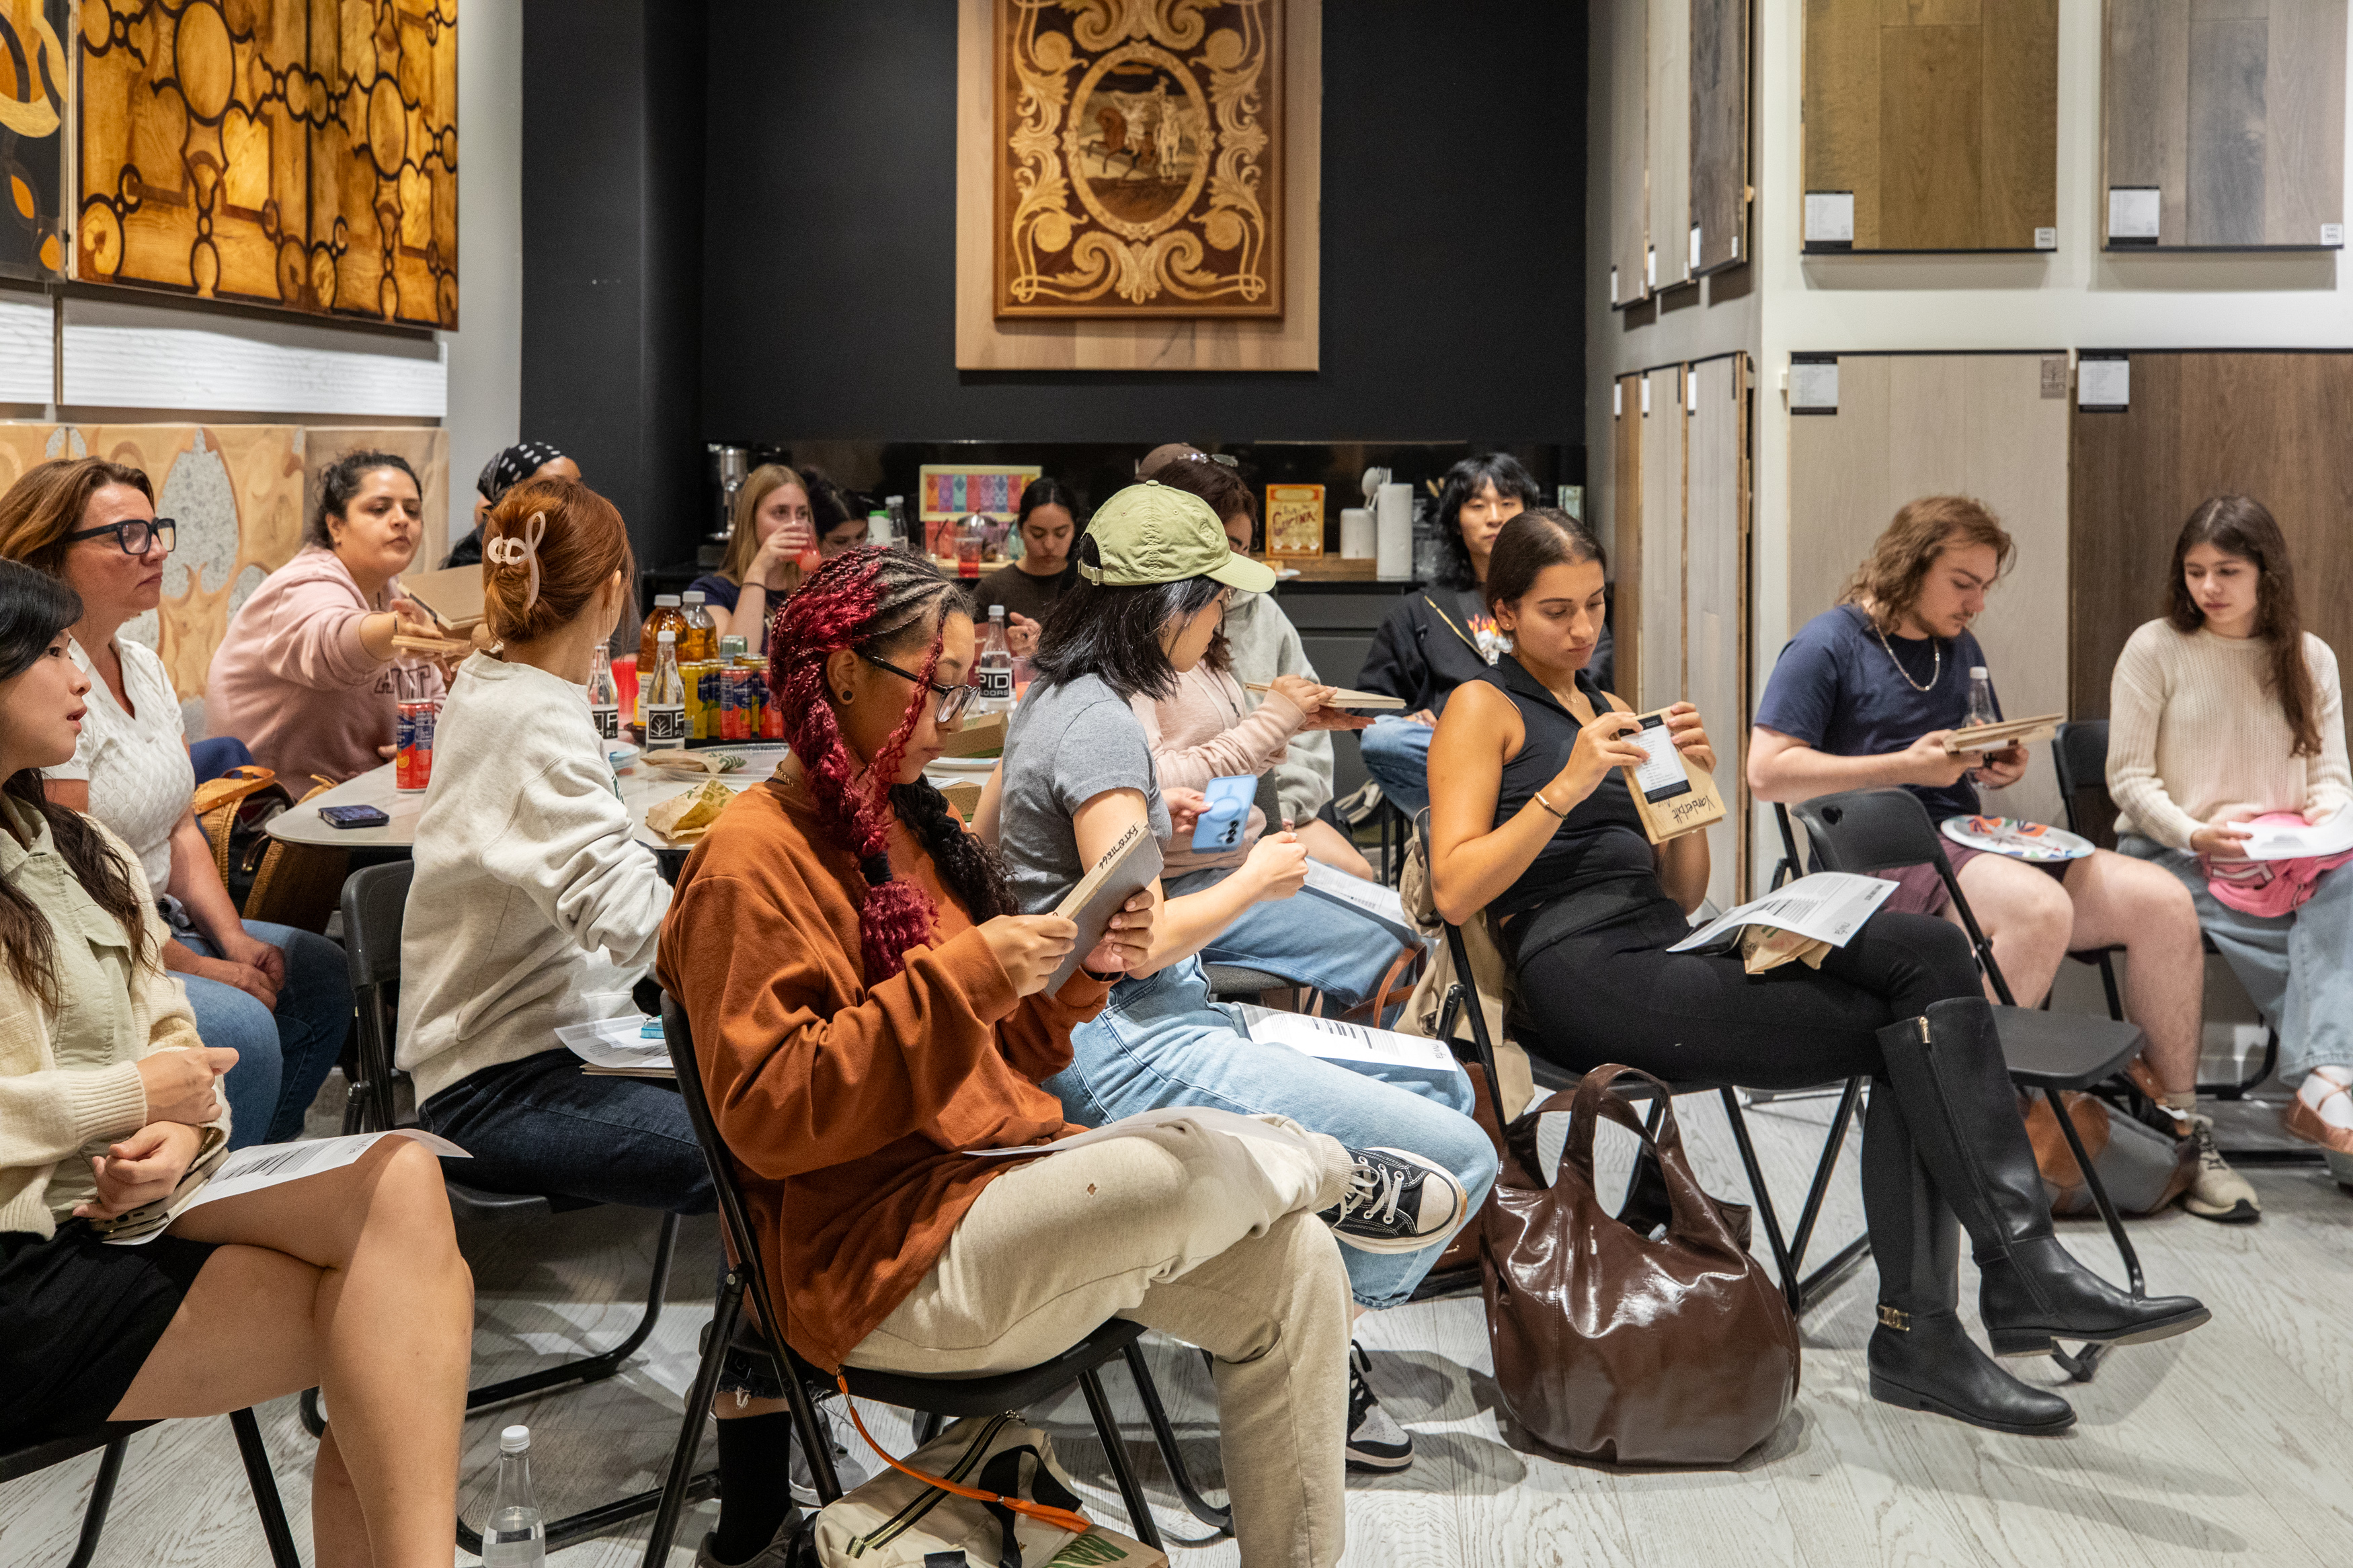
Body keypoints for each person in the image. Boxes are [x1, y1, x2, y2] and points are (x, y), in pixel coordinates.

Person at [1429, 508, 2208, 1437]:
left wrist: (1692, 800)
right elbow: (1453, 887)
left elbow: (1681, 892)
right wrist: (1565, 787)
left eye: (1595, 605)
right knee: (1912, 1040)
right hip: (1579, 970)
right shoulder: (1483, 707)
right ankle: (1955, 1314)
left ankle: (2005, 1277)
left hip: (1665, 940)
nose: (1582, 629)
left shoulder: (1607, 708)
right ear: (1504, 612)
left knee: (1927, 956)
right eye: (1556, 611)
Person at [661, 546, 1367, 1567]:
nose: (952, 720)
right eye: (936, 688)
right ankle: (1334, 1167)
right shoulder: (748, 861)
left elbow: (1008, 1053)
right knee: (1166, 1165)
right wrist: (969, 978)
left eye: (964, 690)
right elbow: (772, 1117)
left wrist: (1088, 968)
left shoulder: (911, 820)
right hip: (879, 1265)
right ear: (844, 674)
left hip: (988, 1191)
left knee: (1297, 1262)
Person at [980, 482, 1494, 1474]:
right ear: (1168, 607)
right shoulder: (1096, 725)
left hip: (1136, 1015)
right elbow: (1132, 946)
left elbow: (994, 853)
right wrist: (1254, 879)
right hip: (1123, 1037)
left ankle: (1287, 1315)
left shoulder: (1054, 695)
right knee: (1459, 1157)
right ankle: (1302, 1349)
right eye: (1216, 601)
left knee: (1438, 1088)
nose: (1224, 621)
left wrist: (1146, 823)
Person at [0, 558, 471, 1568]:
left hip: (109, 1213)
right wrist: (131, 1097)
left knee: (402, 1187)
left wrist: (181, 1131)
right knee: (397, 1328)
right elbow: (145, 1072)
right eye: (49, 652)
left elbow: (175, 1040)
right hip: (18, 1255)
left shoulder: (83, 847)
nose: (79, 675)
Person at [397, 475, 823, 1567]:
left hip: (551, 1039)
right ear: (616, 592)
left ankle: (774, 1429)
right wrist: (790, 948)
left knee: (781, 1129)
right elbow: (626, 910)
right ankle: (754, 1504)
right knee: (773, 1152)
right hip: (497, 1077)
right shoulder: (530, 714)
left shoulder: (505, 682)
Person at [1745, 496, 2248, 1221]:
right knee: (2038, 909)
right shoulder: (1827, 644)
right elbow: (1767, 772)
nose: (1976, 602)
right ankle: (1957, 1128)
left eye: (1984, 585)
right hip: (1877, 855)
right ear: (1908, 565)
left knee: (2161, 901)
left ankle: (2180, 1130)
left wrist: (1995, 761)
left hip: (1967, 837)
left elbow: (1967, 753)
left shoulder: (1957, 647)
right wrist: (1904, 767)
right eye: (1962, 583)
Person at [0, 458, 350, 1150]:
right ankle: (211, 1186)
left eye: (156, 528)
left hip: (165, 918)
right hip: (108, 934)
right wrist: (209, 969)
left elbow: (181, 823)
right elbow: (83, 893)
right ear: (51, 552)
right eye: (127, 535)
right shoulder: (42, 705)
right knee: (245, 1025)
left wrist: (234, 939)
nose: (157, 549)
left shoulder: (143, 665)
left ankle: (259, 1158)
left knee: (319, 972)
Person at [2108, 497, 2353, 1182]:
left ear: (2266, 572)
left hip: (2285, 860)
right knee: (2321, 957)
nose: (2208, 587)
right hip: (2175, 854)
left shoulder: (2309, 657)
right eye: (2194, 571)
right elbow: (2129, 779)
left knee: (2346, 890)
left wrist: (2320, 829)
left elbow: (2331, 779)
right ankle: (2331, 1093)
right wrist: (2195, 833)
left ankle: (2327, 1086)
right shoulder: (2155, 647)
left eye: (2226, 571)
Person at [1146, 452, 1378, 879]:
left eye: (1244, 550)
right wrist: (1273, 723)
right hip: (1198, 854)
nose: (1233, 574)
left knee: (1364, 884)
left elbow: (1249, 763)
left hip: (1238, 831)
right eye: (1224, 548)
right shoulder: (1142, 650)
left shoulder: (1227, 639)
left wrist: (1291, 726)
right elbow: (1151, 785)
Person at [204, 452, 448, 782]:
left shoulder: (395, 594)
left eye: (413, 511)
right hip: (274, 803)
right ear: (336, 526)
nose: (401, 519)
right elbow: (332, 645)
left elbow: (431, 695)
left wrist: (423, 740)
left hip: (366, 798)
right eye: (379, 509)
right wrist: (396, 630)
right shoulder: (303, 586)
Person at [1357, 454, 1542, 820]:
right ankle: (1483, 817)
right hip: (1457, 755)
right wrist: (1408, 718)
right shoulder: (1420, 609)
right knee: (1384, 737)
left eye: (1508, 504)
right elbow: (1368, 701)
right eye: (1477, 505)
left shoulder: (1557, 598)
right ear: (1456, 522)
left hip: (1538, 745)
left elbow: (1591, 675)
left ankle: (1468, 823)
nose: (1495, 517)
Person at [690, 462, 817, 655]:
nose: (794, 524)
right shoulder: (712, 592)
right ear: (751, 519)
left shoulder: (813, 589)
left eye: (802, 514)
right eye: (780, 512)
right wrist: (759, 569)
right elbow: (735, 661)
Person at [973, 477, 1082, 655]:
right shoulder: (992, 590)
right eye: (1038, 534)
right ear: (1020, 527)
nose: (1049, 545)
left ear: (1074, 528)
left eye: (1061, 533)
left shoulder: (1086, 586)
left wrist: (1045, 650)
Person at [443, 441, 580, 569]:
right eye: (551, 488)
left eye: (580, 487)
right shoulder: (476, 574)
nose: (575, 498)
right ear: (508, 504)